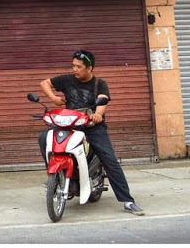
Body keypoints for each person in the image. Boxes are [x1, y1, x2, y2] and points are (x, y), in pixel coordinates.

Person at [39, 49, 145, 215]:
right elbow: (45, 83)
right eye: (73, 66)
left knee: (109, 159)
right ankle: (57, 177)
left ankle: (127, 201)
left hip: (92, 127)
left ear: (89, 69)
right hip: (70, 125)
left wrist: (97, 115)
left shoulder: (99, 84)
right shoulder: (67, 79)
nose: (75, 69)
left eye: (79, 67)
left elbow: (102, 102)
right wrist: (53, 98)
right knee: (44, 138)